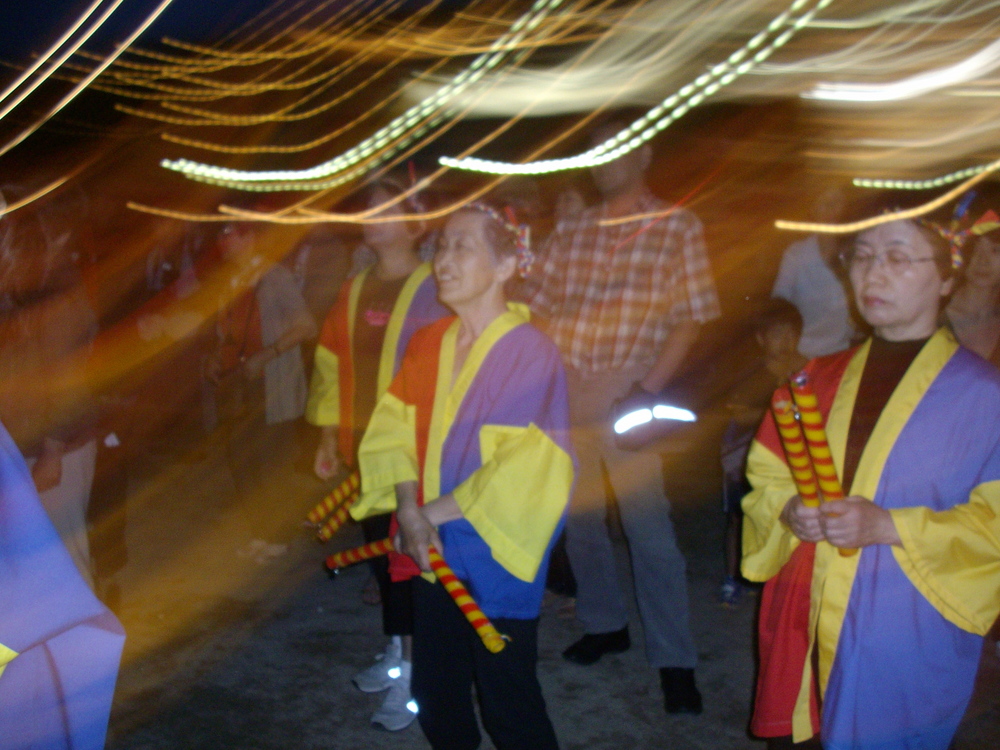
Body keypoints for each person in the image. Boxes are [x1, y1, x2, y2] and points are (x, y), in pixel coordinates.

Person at [742, 202, 1000, 749]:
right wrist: (789, 510)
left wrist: (890, 526)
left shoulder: (985, 397)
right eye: (861, 257)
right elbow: (768, 476)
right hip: (804, 619)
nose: (873, 273)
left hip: (901, 632)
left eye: (898, 257)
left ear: (949, 277)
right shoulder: (812, 379)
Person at [352, 201, 573, 750]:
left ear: (505, 266)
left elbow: (525, 468)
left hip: (496, 553)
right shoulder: (429, 343)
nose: (442, 260)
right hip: (430, 548)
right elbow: (394, 430)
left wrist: (424, 515)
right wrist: (408, 509)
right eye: (442, 245)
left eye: (462, 247)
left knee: (509, 704)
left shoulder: (530, 352)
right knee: (438, 694)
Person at [522, 120, 720, 713]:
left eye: (615, 148)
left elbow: (692, 315)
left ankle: (675, 658)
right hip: (568, 388)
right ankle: (605, 623)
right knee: (580, 519)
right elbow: (538, 304)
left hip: (629, 386)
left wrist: (647, 388)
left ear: (644, 154)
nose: (600, 160)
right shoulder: (573, 228)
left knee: (649, 531)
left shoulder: (677, 226)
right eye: (592, 150)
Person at [306, 176, 447, 731]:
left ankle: (415, 679)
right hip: (364, 448)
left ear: (415, 224)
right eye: (367, 209)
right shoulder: (355, 285)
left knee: (407, 560)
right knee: (382, 558)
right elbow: (330, 362)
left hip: (412, 455)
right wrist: (326, 435)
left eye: (385, 209)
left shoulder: (434, 288)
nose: (371, 216)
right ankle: (396, 652)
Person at [0, 415, 125, 749]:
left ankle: (79, 688)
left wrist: (53, 449)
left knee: (62, 579)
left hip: (44, 451)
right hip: (25, 450)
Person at [204, 219, 317, 556]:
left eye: (229, 235)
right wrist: (215, 356)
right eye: (219, 236)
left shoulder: (275, 277)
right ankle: (260, 533)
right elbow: (227, 331)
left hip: (271, 384)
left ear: (249, 237)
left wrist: (267, 355)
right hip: (238, 383)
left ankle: (278, 537)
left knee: (269, 462)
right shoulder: (230, 282)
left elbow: (306, 325)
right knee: (243, 461)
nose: (223, 243)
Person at [719, 299, 805, 606]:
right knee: (739, 515)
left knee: (787, 515)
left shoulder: (808, 369)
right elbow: (739, 415)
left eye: (790, 333)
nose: (784, 341)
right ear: (760, 338)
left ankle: (778, 579)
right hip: (744, 453)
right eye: (775, 333)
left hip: (790, 458)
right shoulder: (752, 373)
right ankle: (733, 578)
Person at [772, 187, 856, 358]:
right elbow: (779, 306)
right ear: (812, 209)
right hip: (803, 354)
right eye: (823, 203)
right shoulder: (795, 255)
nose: (830, 209)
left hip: (845, 352)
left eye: (836, 202)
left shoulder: (855, 253)